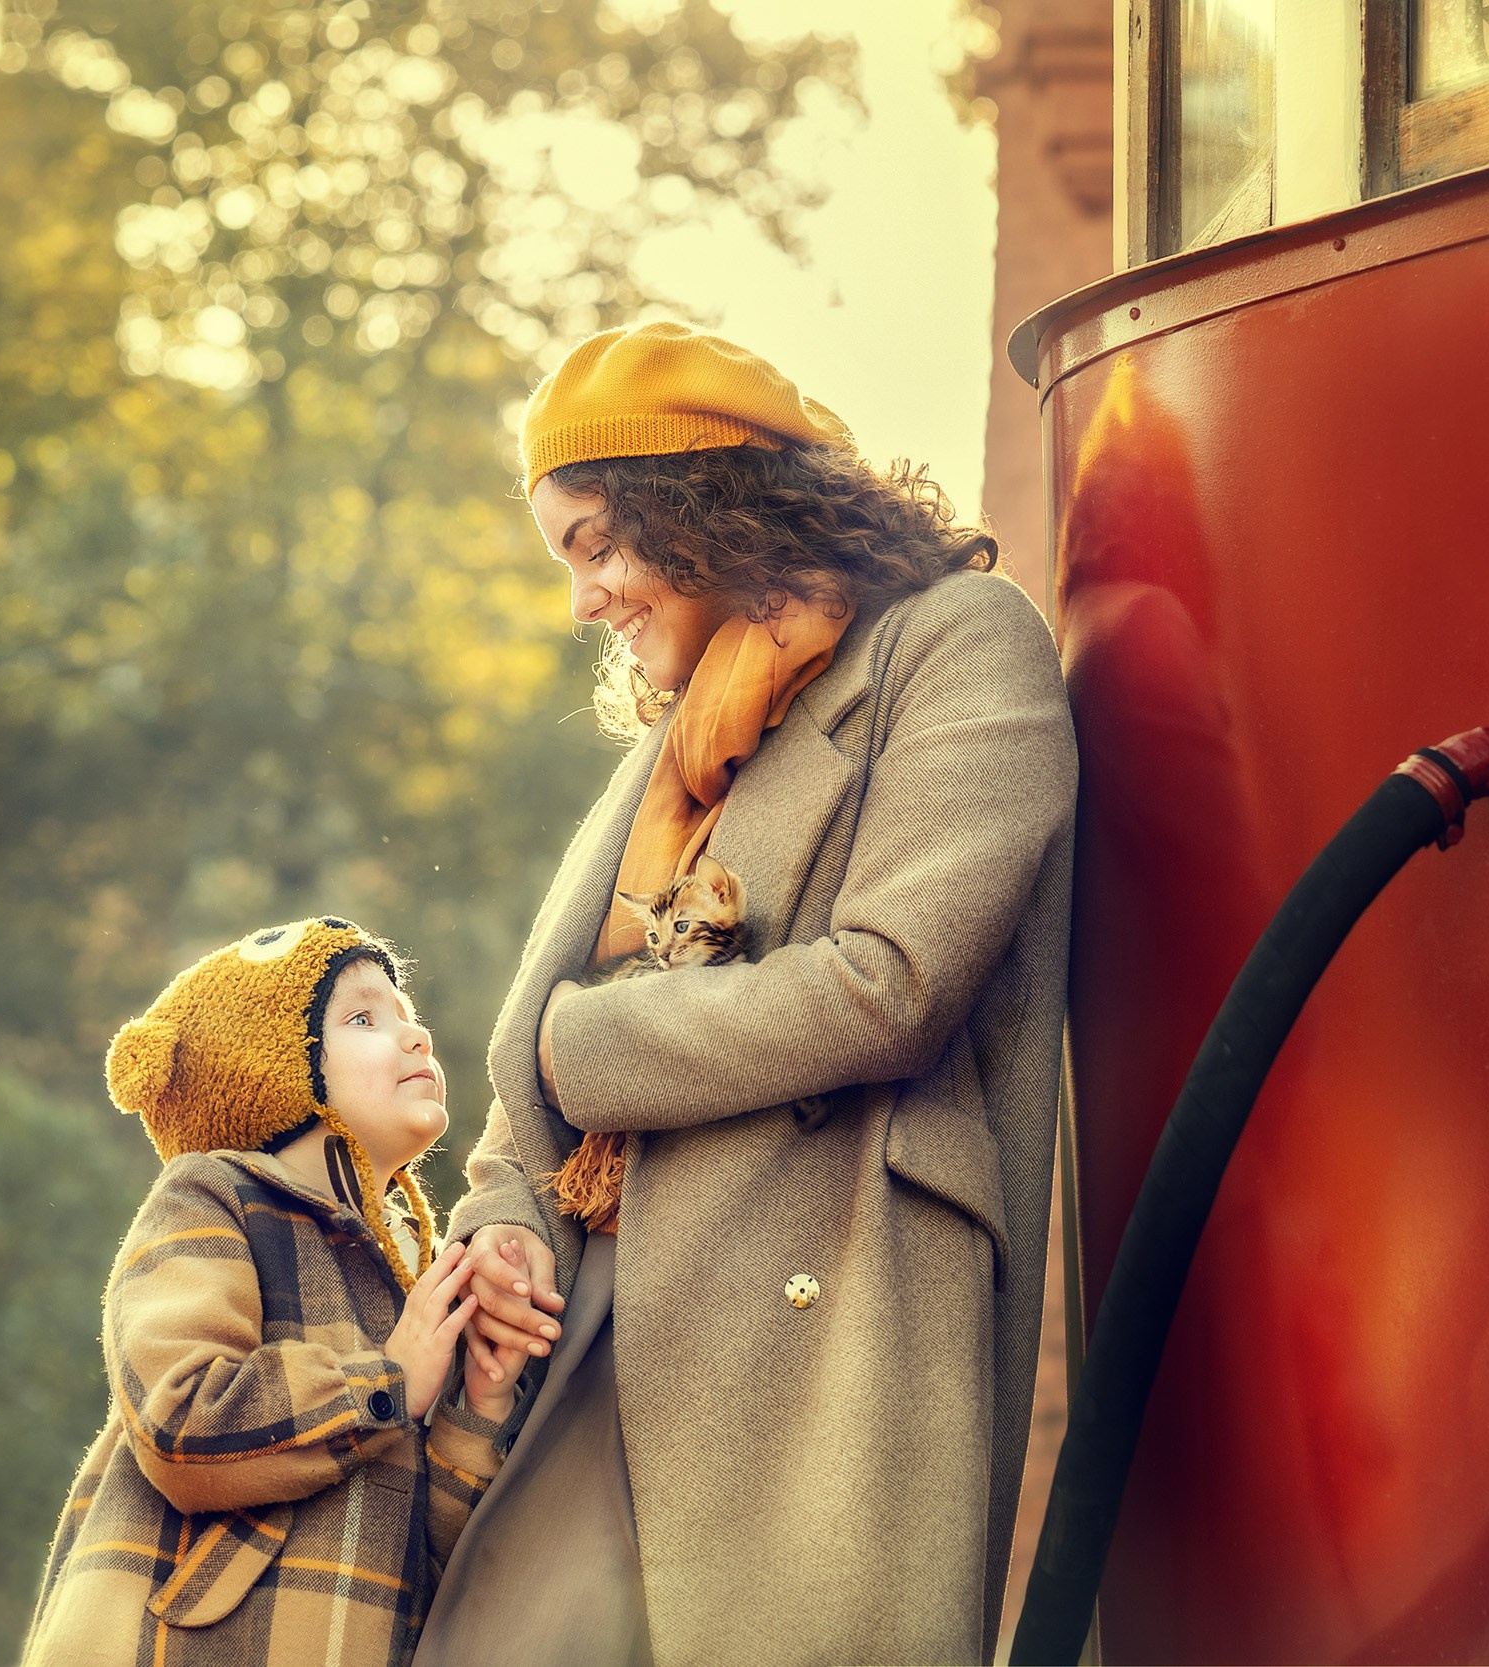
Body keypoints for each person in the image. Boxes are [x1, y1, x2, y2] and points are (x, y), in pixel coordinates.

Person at [418, 322, 1079, 1667]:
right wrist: (506, 1231)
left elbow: (893, 988)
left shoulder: (959, 640)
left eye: (598, 544)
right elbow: (525, 1098)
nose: (582, 600)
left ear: (702, 503)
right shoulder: (681, 735)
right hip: (593, 1341)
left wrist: (589, 1048)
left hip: (820, 1341)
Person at [22, 916, 531, 1667]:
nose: (416, 1035)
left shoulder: (410, 1278)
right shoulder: (212, 1194)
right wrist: (387, 1381)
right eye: (364, 1017)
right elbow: (180, 1418)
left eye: (409, 1014)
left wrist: (477, 1409)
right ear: (271, 1065)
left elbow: (420, 1570)